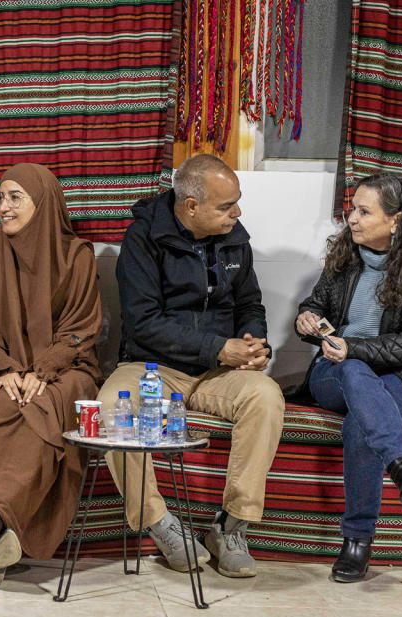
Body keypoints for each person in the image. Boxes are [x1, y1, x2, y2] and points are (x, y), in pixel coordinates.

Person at [98, 153, 284, 578]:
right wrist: (220, 348)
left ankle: (231, 526)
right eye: (225, 206)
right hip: (152, 366)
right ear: (191, 207)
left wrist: (254, 342)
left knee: (266, 396)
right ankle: (158, 524)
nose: (236, 213)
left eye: (237, 202)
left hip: (219, 372)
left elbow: (250, 303)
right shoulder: (142, 239)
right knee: (113, 404)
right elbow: (144, 323)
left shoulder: (235, 237)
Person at [293, 172, 402, 583]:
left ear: (397, 221)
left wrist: (356, 349)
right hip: (334, 373)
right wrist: (307, 318)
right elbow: (315, 303)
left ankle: (357, 542)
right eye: (353, 209)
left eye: (364, 211)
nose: (351, 219)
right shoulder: (346, 252)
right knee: (351, 370)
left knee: (361, 421)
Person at [0, 163, 102, 585]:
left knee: (50, 400)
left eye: (15, 197)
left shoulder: (76, 257)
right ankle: (0, 532)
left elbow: (81, 329)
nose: (3, 206)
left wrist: (45, 368)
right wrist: (6, 367)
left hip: (66, 367)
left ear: (44, 202)